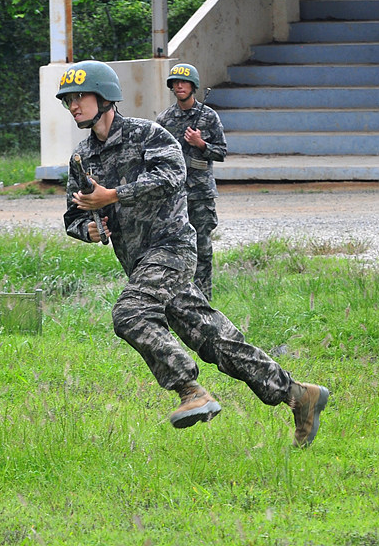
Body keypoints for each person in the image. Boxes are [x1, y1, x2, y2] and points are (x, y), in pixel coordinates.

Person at [58, 60, 328, 447]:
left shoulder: (149, 134)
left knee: (129, 314)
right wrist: (89, 228)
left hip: (172, 248)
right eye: (68, 100)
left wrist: (113, 194)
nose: (73, 106)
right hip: (139, 262)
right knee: (215, 340)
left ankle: (190, 390)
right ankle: (300, 395)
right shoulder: (83, 157)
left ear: (105, 97)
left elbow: (172, 177)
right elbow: (73, 214)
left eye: (80, 97)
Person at [155, 63, 226, 300]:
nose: (179, 86)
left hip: (200, 194)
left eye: (183, 82)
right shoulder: (164, 119)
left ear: (193, 86)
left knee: (203, 247)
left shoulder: (208, 117)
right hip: (174, 195)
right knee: (173, 246)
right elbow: (154, 154)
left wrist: (200, 144)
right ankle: (179, 295)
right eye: (175, 83)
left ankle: (204, 297)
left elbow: (221, 152)